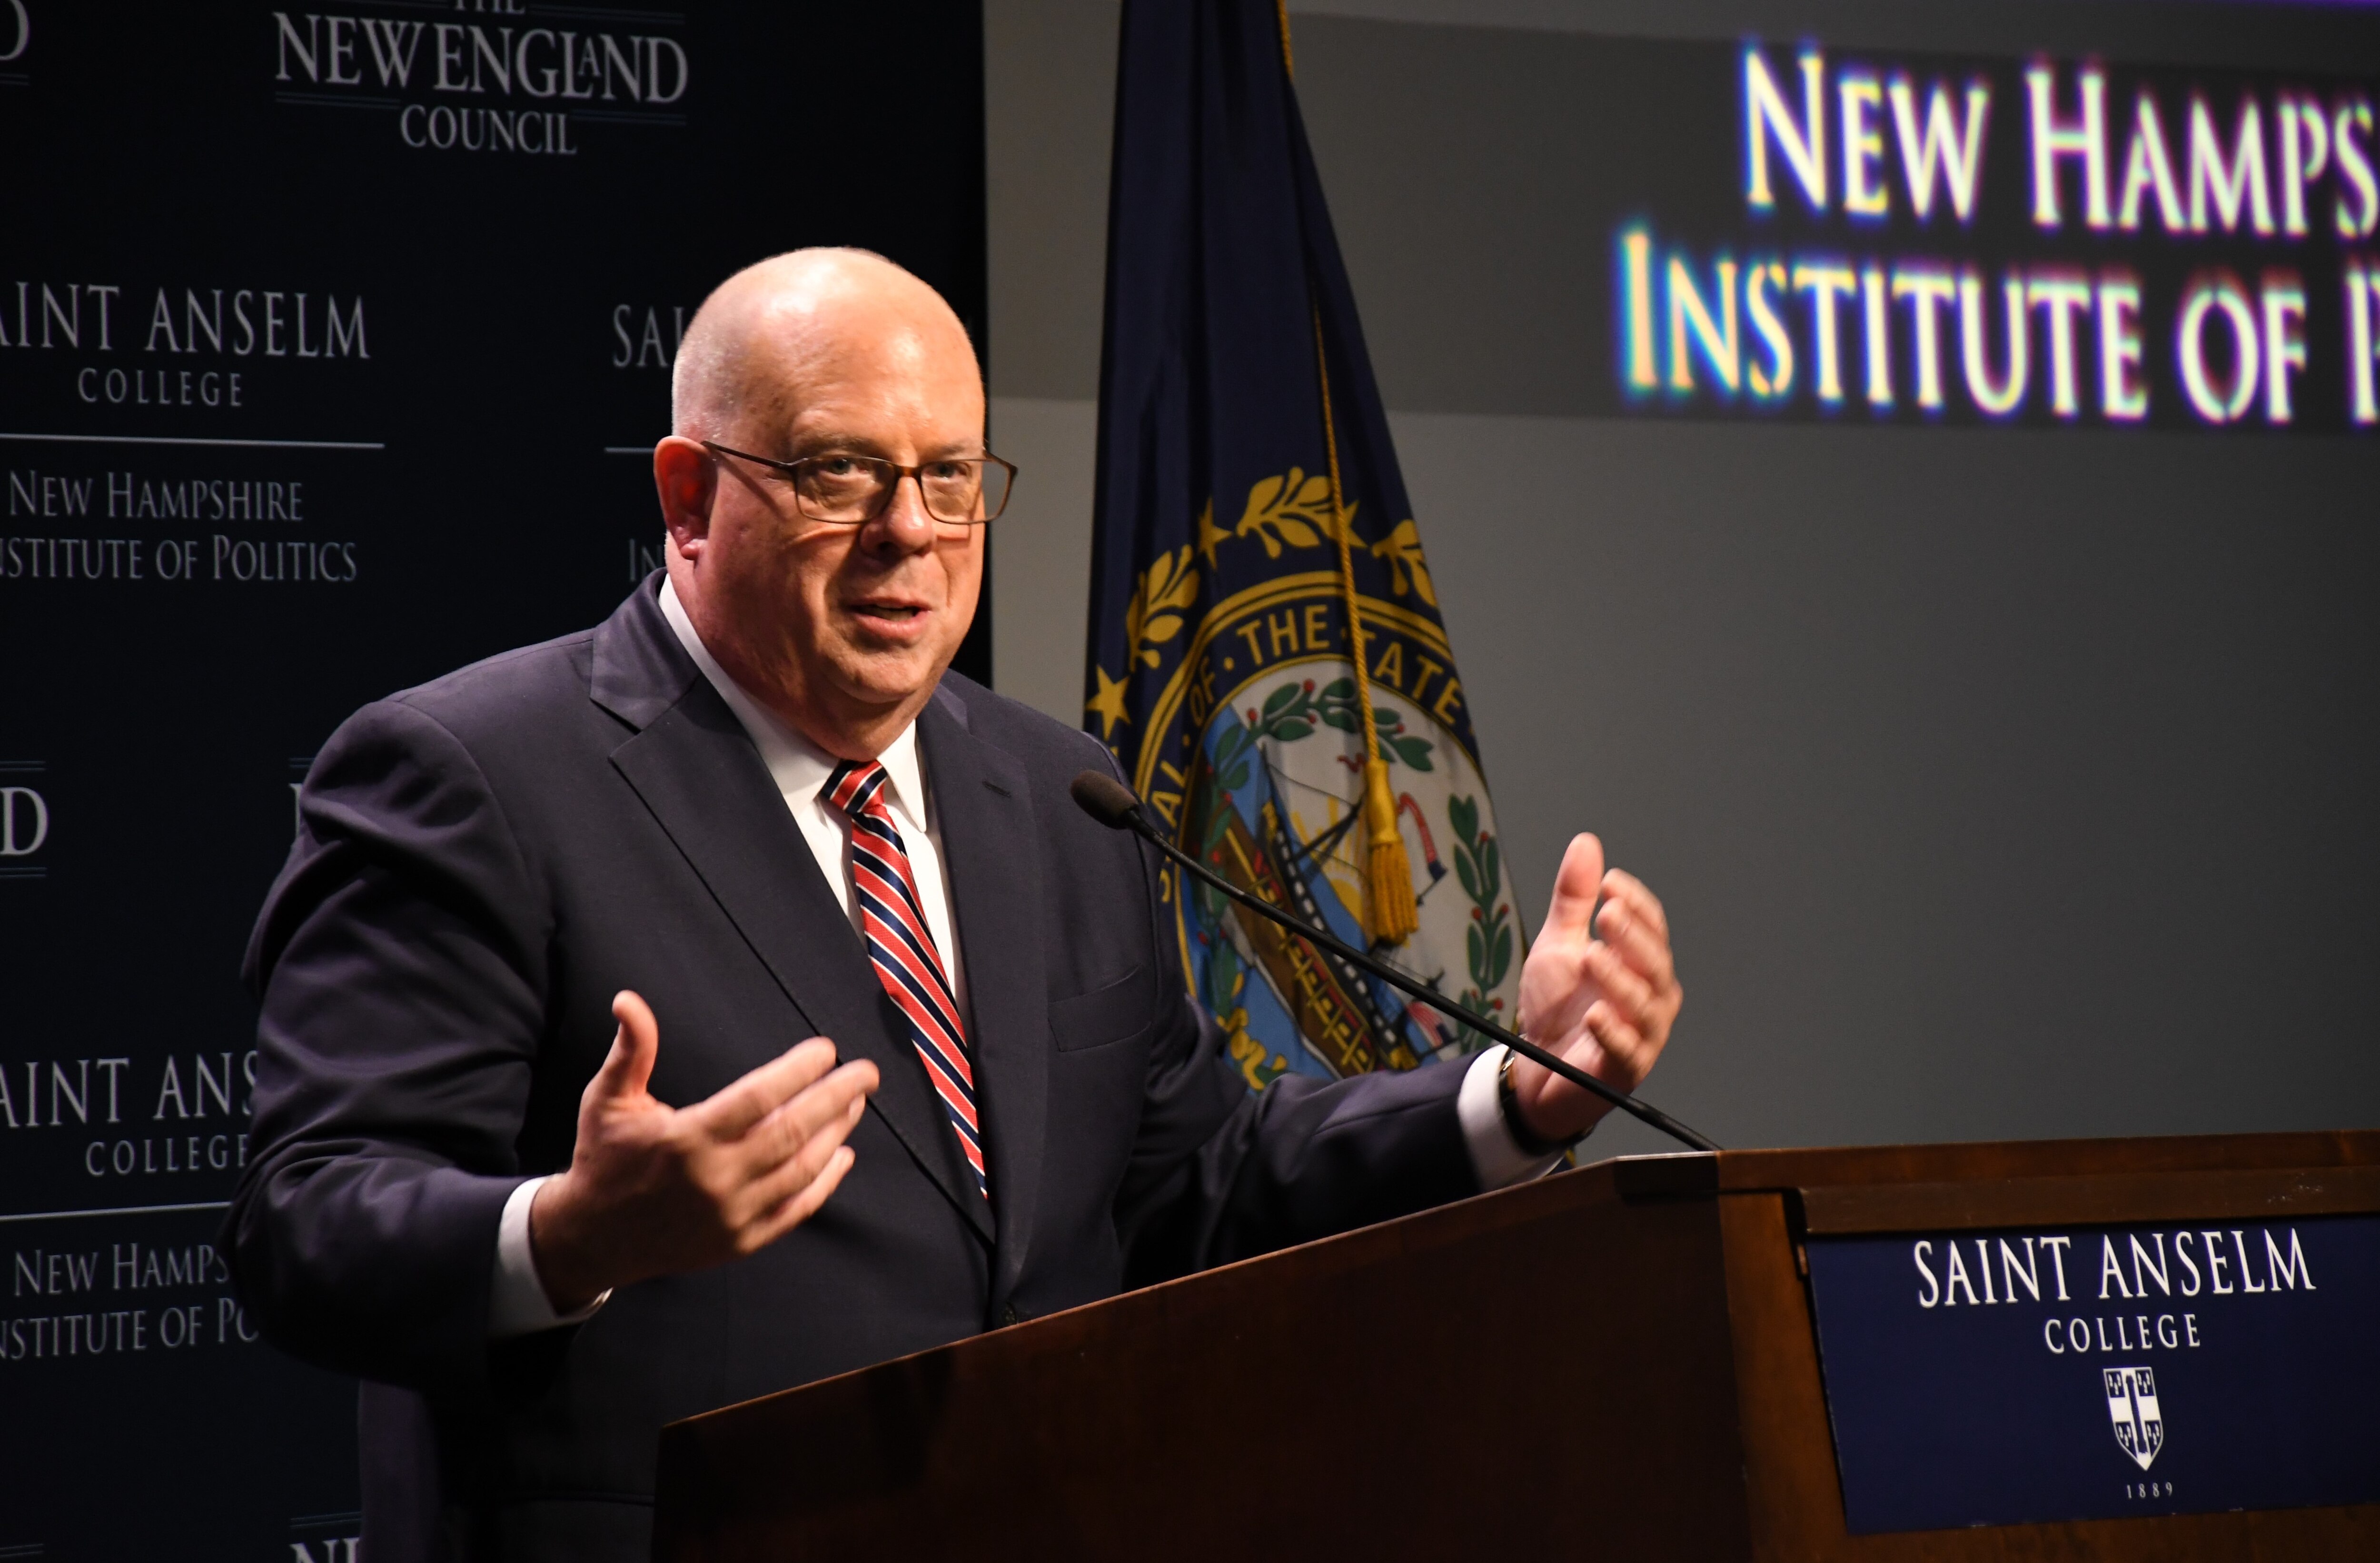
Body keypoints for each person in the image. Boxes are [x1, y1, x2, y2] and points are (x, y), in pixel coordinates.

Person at [225, 249, 1683, 1563]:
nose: (908, 533)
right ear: (687, 498)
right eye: (836, 472)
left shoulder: (1056, 792)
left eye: (949, 476)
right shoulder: (475, 774)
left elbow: (1192, 1185)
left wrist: (1519, 1093)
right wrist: (569, 1233)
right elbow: (306, 1220)